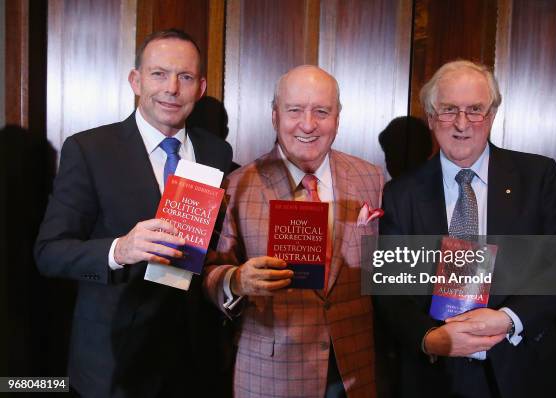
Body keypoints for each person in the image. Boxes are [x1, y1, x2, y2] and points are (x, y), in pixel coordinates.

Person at [34, 29, 233, 397]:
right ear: (136, 81)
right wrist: (118, 250)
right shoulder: (90, 149)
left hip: (194, 362)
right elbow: (48, 253)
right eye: (159, 74)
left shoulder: (217, 152)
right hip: (114, 363)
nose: (172, 88)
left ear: (200, 87)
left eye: (185, 77)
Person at [373, 60, 556, 398]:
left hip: (520, 366)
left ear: (492, 114)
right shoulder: (400, 193)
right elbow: (390, 289)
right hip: (435, 373)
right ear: (432, 117)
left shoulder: (537, 177)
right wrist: (428, 338)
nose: (462, 124)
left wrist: (509, 318)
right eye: (449, 110)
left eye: (475, 110)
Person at [204, 65, 383, 397]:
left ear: (338, 118)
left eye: (321, 112)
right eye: (295, 110)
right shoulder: (238, 184)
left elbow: (385, 268)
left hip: (354, 370)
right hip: (271, 373)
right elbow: (211, 273)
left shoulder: (370, 177)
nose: (308, 124)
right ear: (275, 116)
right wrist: (237, 280)